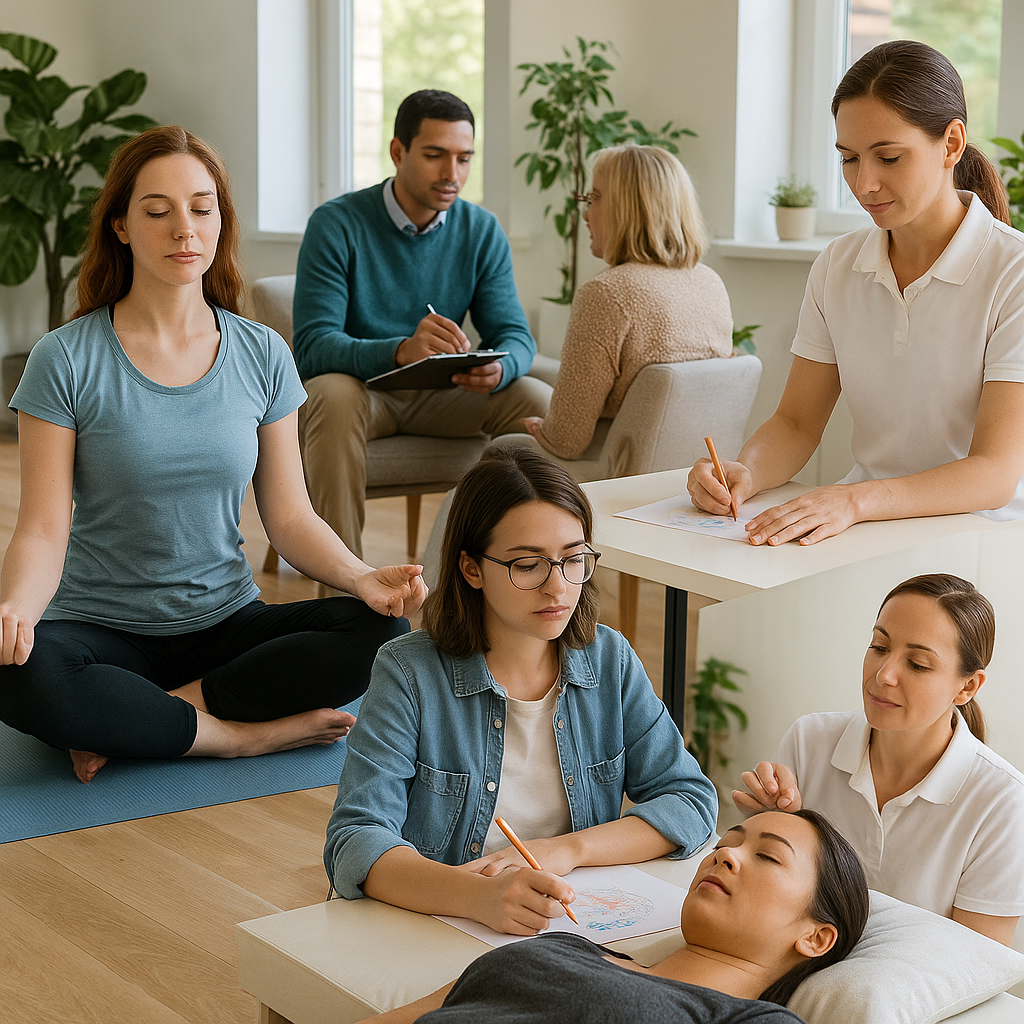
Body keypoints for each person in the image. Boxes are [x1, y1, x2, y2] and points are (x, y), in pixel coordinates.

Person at [0, 126, 427, 784]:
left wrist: (361, 576)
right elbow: (42, 527)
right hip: (100, 628)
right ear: (120, 225)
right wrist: (17, 613)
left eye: (202, 208)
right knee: (19, 673)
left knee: (379, 636)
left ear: (221, 221)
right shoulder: (66, 358)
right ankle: (238, 738)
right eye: (158, 210)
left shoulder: (261, 353)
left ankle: (146, 720)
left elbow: (289, 517)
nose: (184, 230)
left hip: (225, 621)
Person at [324, 446, 718, 934]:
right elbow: (355, 840)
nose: (558, 588)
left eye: (573, 560)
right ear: (472, 569)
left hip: (569, 921)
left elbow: (689, 799)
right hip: (443, 923)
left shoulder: (609, 659)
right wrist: (477, 896)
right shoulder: (408, 673)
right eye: (527, 565)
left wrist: (567, 850)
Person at [687, 40, 1024, 546]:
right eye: (849, 159)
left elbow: (994, 473)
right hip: (864, 529)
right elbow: (797, 422)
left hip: (979, 541)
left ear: (951, 144)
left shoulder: (1012, 271)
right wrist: (747, 472)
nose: (864, 183)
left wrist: (854, 500)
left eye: (888, 157)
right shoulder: (838, 266)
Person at [292, 89, 551, 559]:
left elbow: (515, 334)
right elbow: (311, 346)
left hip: (444, 398)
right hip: (363, 395)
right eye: (435, 156)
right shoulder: (336, 224)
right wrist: (400, 350)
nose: (453, 174)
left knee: (536, 398)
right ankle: (345, 599)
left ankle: (511, 567)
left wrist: (501, 368)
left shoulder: (480, 229)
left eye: (464, 159)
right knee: (330, 395)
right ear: (398, 151)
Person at [356, 809, 869, 1024]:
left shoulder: (750, 1020)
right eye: (727, 842)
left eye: (770, 856)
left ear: (817, 938)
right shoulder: (566, 946)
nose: (725, 855)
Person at [733, 574, 1024, 945]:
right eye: (879, 646)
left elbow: (975, 965)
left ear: (967, 686)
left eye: (917, 665)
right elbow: (759, 901)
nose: (884, 675)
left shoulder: (1002, 801)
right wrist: (771, 830)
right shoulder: (810, 741)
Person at [522, 144, 732, 462]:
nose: (585, 213)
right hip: (691, 475)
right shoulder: (710, 283)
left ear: (627, 208)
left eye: (594, 199)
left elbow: (566, 441)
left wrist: (544, 430)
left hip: (612, 475)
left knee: (499, 454)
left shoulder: (607, 294)